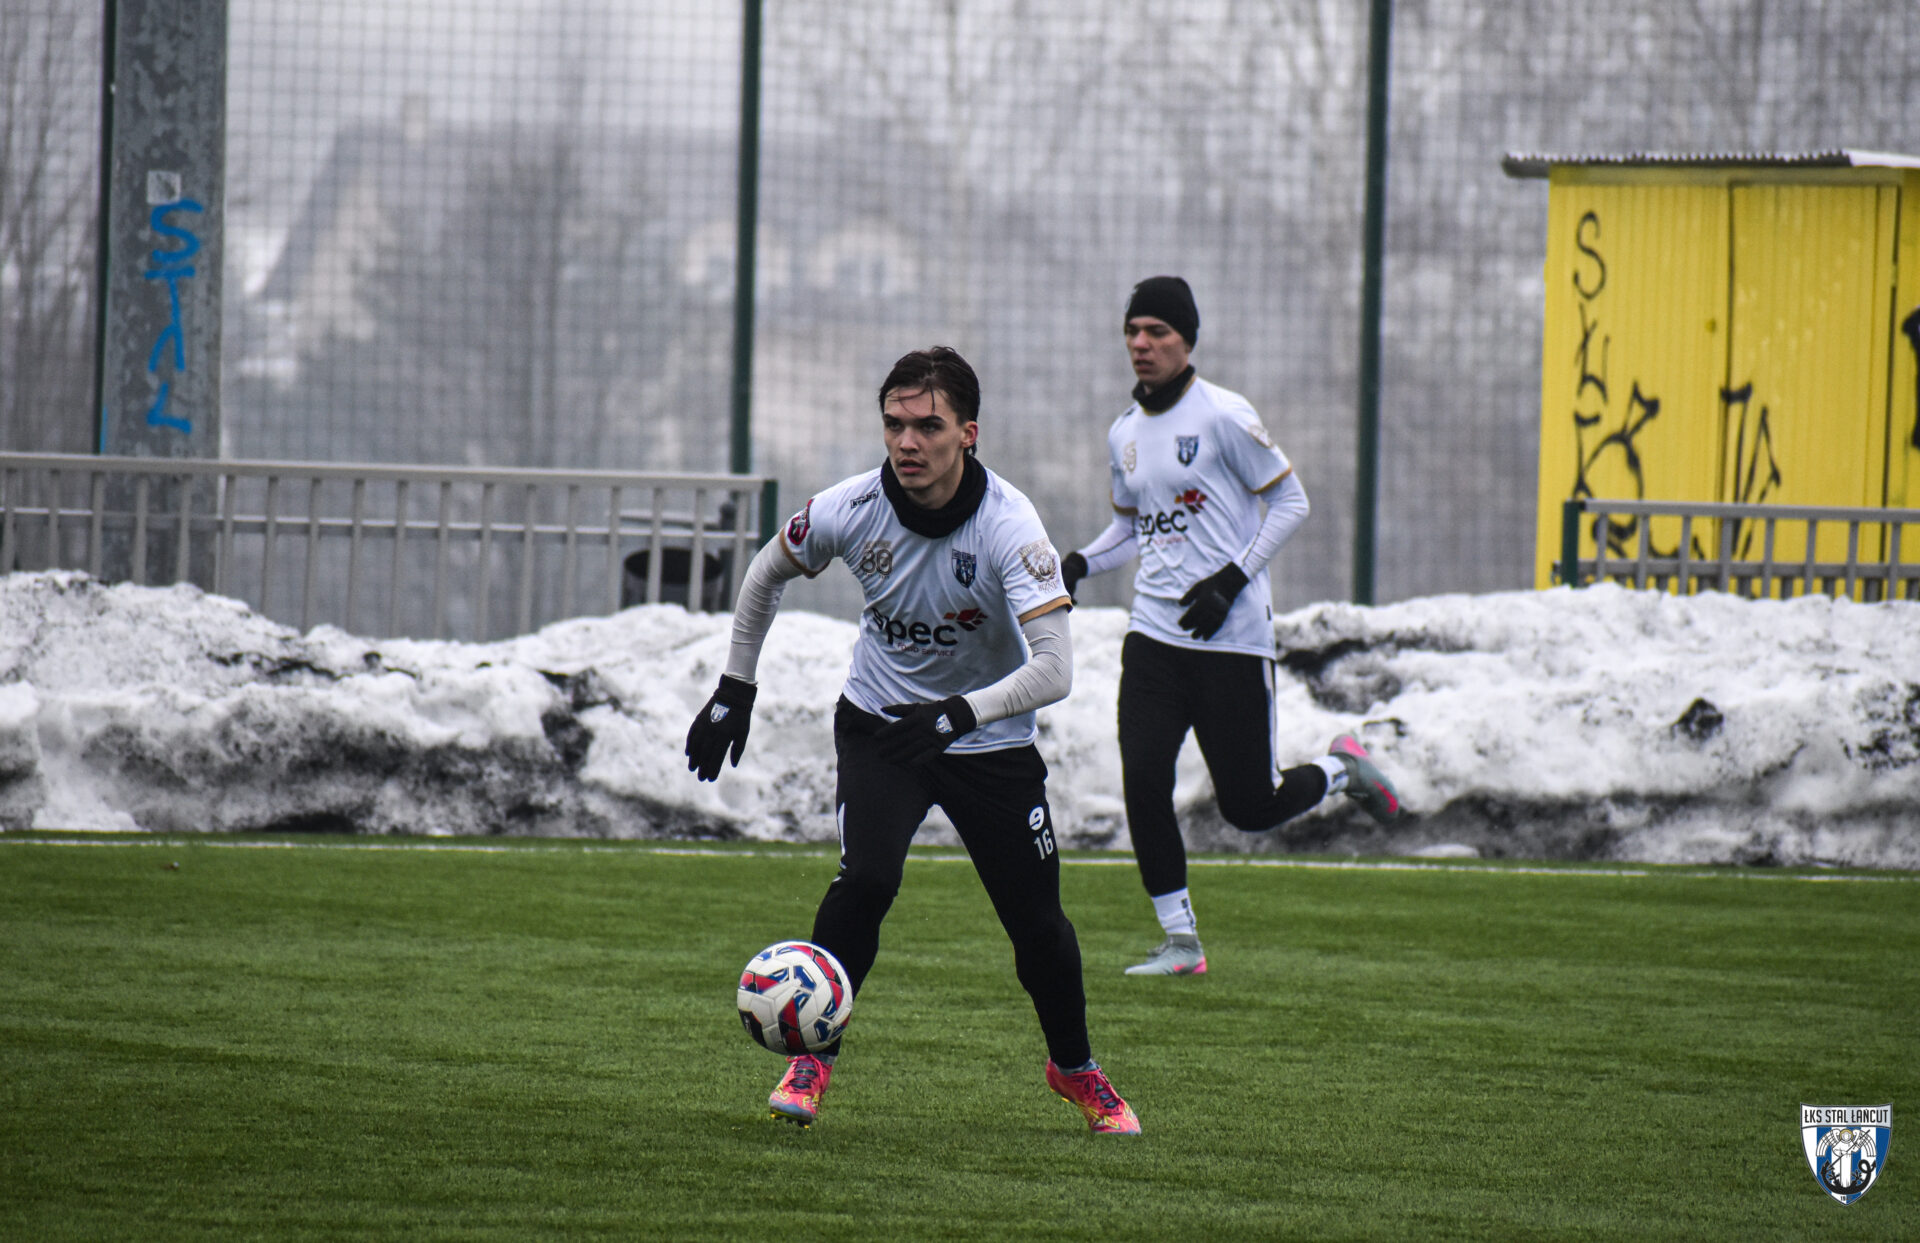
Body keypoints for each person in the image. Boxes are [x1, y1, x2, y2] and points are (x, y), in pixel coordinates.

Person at [685, 346, 1140, 1135]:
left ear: (968, 433)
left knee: (1039, 927)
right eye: (894, 423)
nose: (907, 441)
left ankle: (1074, 1068)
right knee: (866, 880)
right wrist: (735, 687)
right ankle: (813, 1055)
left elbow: (1056, 668)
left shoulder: (1011, 526)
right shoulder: (851, 507)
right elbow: (765, 574)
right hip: (882, 728)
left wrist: (959, 714)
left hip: (989, 741)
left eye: (928, 425)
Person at [1060, 276, 1402, 977]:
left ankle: (1342, 769)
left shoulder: (1224, 415)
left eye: (1157, 331)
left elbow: (1292, 502)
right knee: (1143, 780)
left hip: (1231, 640)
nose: (1141, 343)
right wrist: (1079, 563)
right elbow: (1131, 530)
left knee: (1250, 806)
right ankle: (1181, 941)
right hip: (1153, 638)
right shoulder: (1124, 433)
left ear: (1187, 340)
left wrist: (1231, 580)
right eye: (1132, 331)